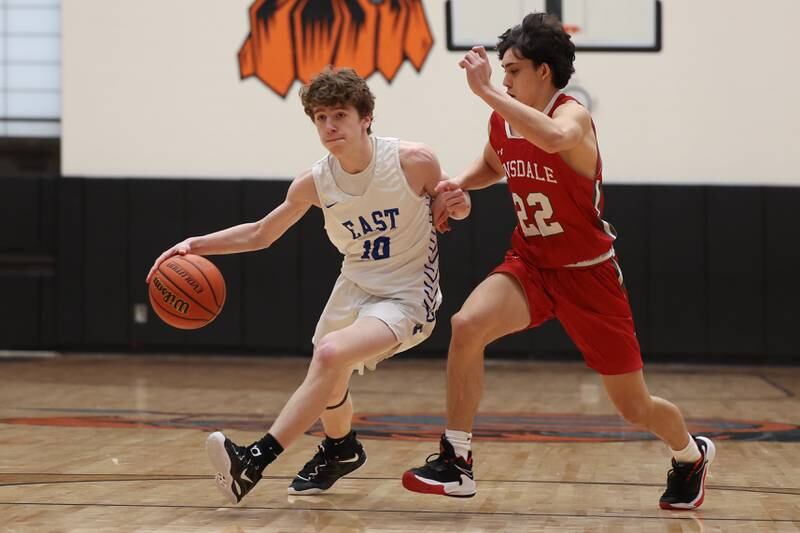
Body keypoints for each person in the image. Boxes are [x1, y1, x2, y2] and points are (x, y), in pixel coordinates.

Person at [402, 13, 715, 510]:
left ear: (543, 71)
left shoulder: (572, 117)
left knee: (634, 407)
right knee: (466, 325)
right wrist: (458, 186)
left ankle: (689, 455)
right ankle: (456, 461)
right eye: (500, 72)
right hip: (531, 263)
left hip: (588, 276)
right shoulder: (504, 115)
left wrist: (486, 92)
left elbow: (551, 139)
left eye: (512, 70)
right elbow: (492, 163)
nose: (503, 80)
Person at [146, 67, 467, 504]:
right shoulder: (316, 181)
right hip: (353, 286)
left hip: (408, 295)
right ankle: (341, 448)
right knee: (329, 372)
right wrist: (194, 245)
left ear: (365, 117)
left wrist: (459, 205)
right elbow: (261, 232)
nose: (330, 126)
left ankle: (253, 461)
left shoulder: (412, 161)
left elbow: (453, 206)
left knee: (331, 354)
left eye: (339, 114)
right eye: (320, 118)